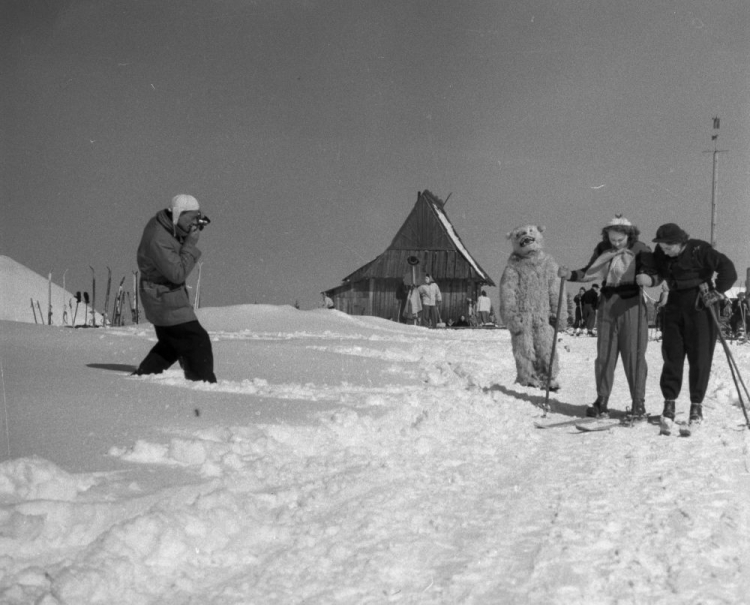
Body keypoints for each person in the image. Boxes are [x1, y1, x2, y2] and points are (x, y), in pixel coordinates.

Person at [637, 223, 737, 435]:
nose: (664, 251)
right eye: (661, 246)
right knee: (672, 356)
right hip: (674, 304)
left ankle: (696, 407)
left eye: (668, 247)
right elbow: (650, 264)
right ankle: (669, 404)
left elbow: (728, 269)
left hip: (700, 304)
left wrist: (718, 292)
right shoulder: (661, 254)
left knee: (700, 357)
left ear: (679, 242)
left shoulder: (699, 250)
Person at [558, 215, 651, 420]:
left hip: (632, 303)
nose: (616, 243)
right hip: (608, 303)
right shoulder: (602, 249)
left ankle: (638, 402)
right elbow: (590, 271)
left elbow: (652, 271)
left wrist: (647, 277)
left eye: (620, 240)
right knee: (605, 354)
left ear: (629, 235)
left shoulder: (641, 249)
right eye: (612, 239)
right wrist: (570, 275)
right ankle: (602, 400)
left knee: (633, 355)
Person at [133, 194, 217, 383]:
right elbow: (177, 273)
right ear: (179, 214)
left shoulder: (164, 226)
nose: (196, 221)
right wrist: (189, 244)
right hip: (163, 296)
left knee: (171, 344)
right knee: (197, 340)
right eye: (193, 217)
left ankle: (142, 378)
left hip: (162, 296)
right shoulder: (158, 238)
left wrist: (184, 234)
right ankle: (203, 384)